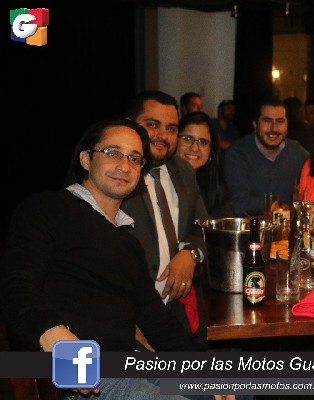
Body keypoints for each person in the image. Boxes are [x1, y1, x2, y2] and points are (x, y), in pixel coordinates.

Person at [0, 119, 222, 399]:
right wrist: (52, 332)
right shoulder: (46, 209)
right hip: (82, 375)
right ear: (86, 159)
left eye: (134, 158)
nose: (124, 166)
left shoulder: (128, 244)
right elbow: (15, 284)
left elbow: (160, 325)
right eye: (113, 153)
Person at [120, 90, 210, 349]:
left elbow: (203, 229)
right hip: (129, 317)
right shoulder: (117, 174)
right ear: (130, 125)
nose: (163, 135)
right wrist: (126, 321)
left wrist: (190, 254)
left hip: (174, 312)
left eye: (171, 128)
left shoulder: (183, 171)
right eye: (152, 124)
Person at [224, 98, 309, 216]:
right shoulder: (238, 153)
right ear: (255, 124)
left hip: (288, 226)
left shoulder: (296, 151)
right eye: (267, 121)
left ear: (287, 126)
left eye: (280, 121)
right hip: (251, 227)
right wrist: (280, 206)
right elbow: (240, 203)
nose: (274, 128)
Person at [177, 111, 232, 218]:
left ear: (211, 149)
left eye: (203, 142)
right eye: (187, 139)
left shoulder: (214, 184)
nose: (194, 148)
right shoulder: (163, 182)